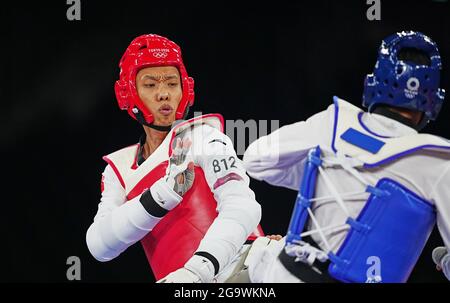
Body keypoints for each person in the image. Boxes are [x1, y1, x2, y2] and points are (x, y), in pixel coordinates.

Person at [242, 31, 450, 283]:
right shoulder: (438, 159)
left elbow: (255, 159)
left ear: (374, 83)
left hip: (284, 274)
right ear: (433, 100)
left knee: (255, 258)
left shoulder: (336, 121)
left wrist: (328, 177)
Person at [86, 34, 263, 283]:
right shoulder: (119, 168)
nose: (163, 94)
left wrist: (197, 271)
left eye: (171, 83)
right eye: (150, 85)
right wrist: (162, 196)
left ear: (185, 89)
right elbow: (99, 246)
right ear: (128, 92)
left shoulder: (203, 135)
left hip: (241, 273)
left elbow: (243, 207)